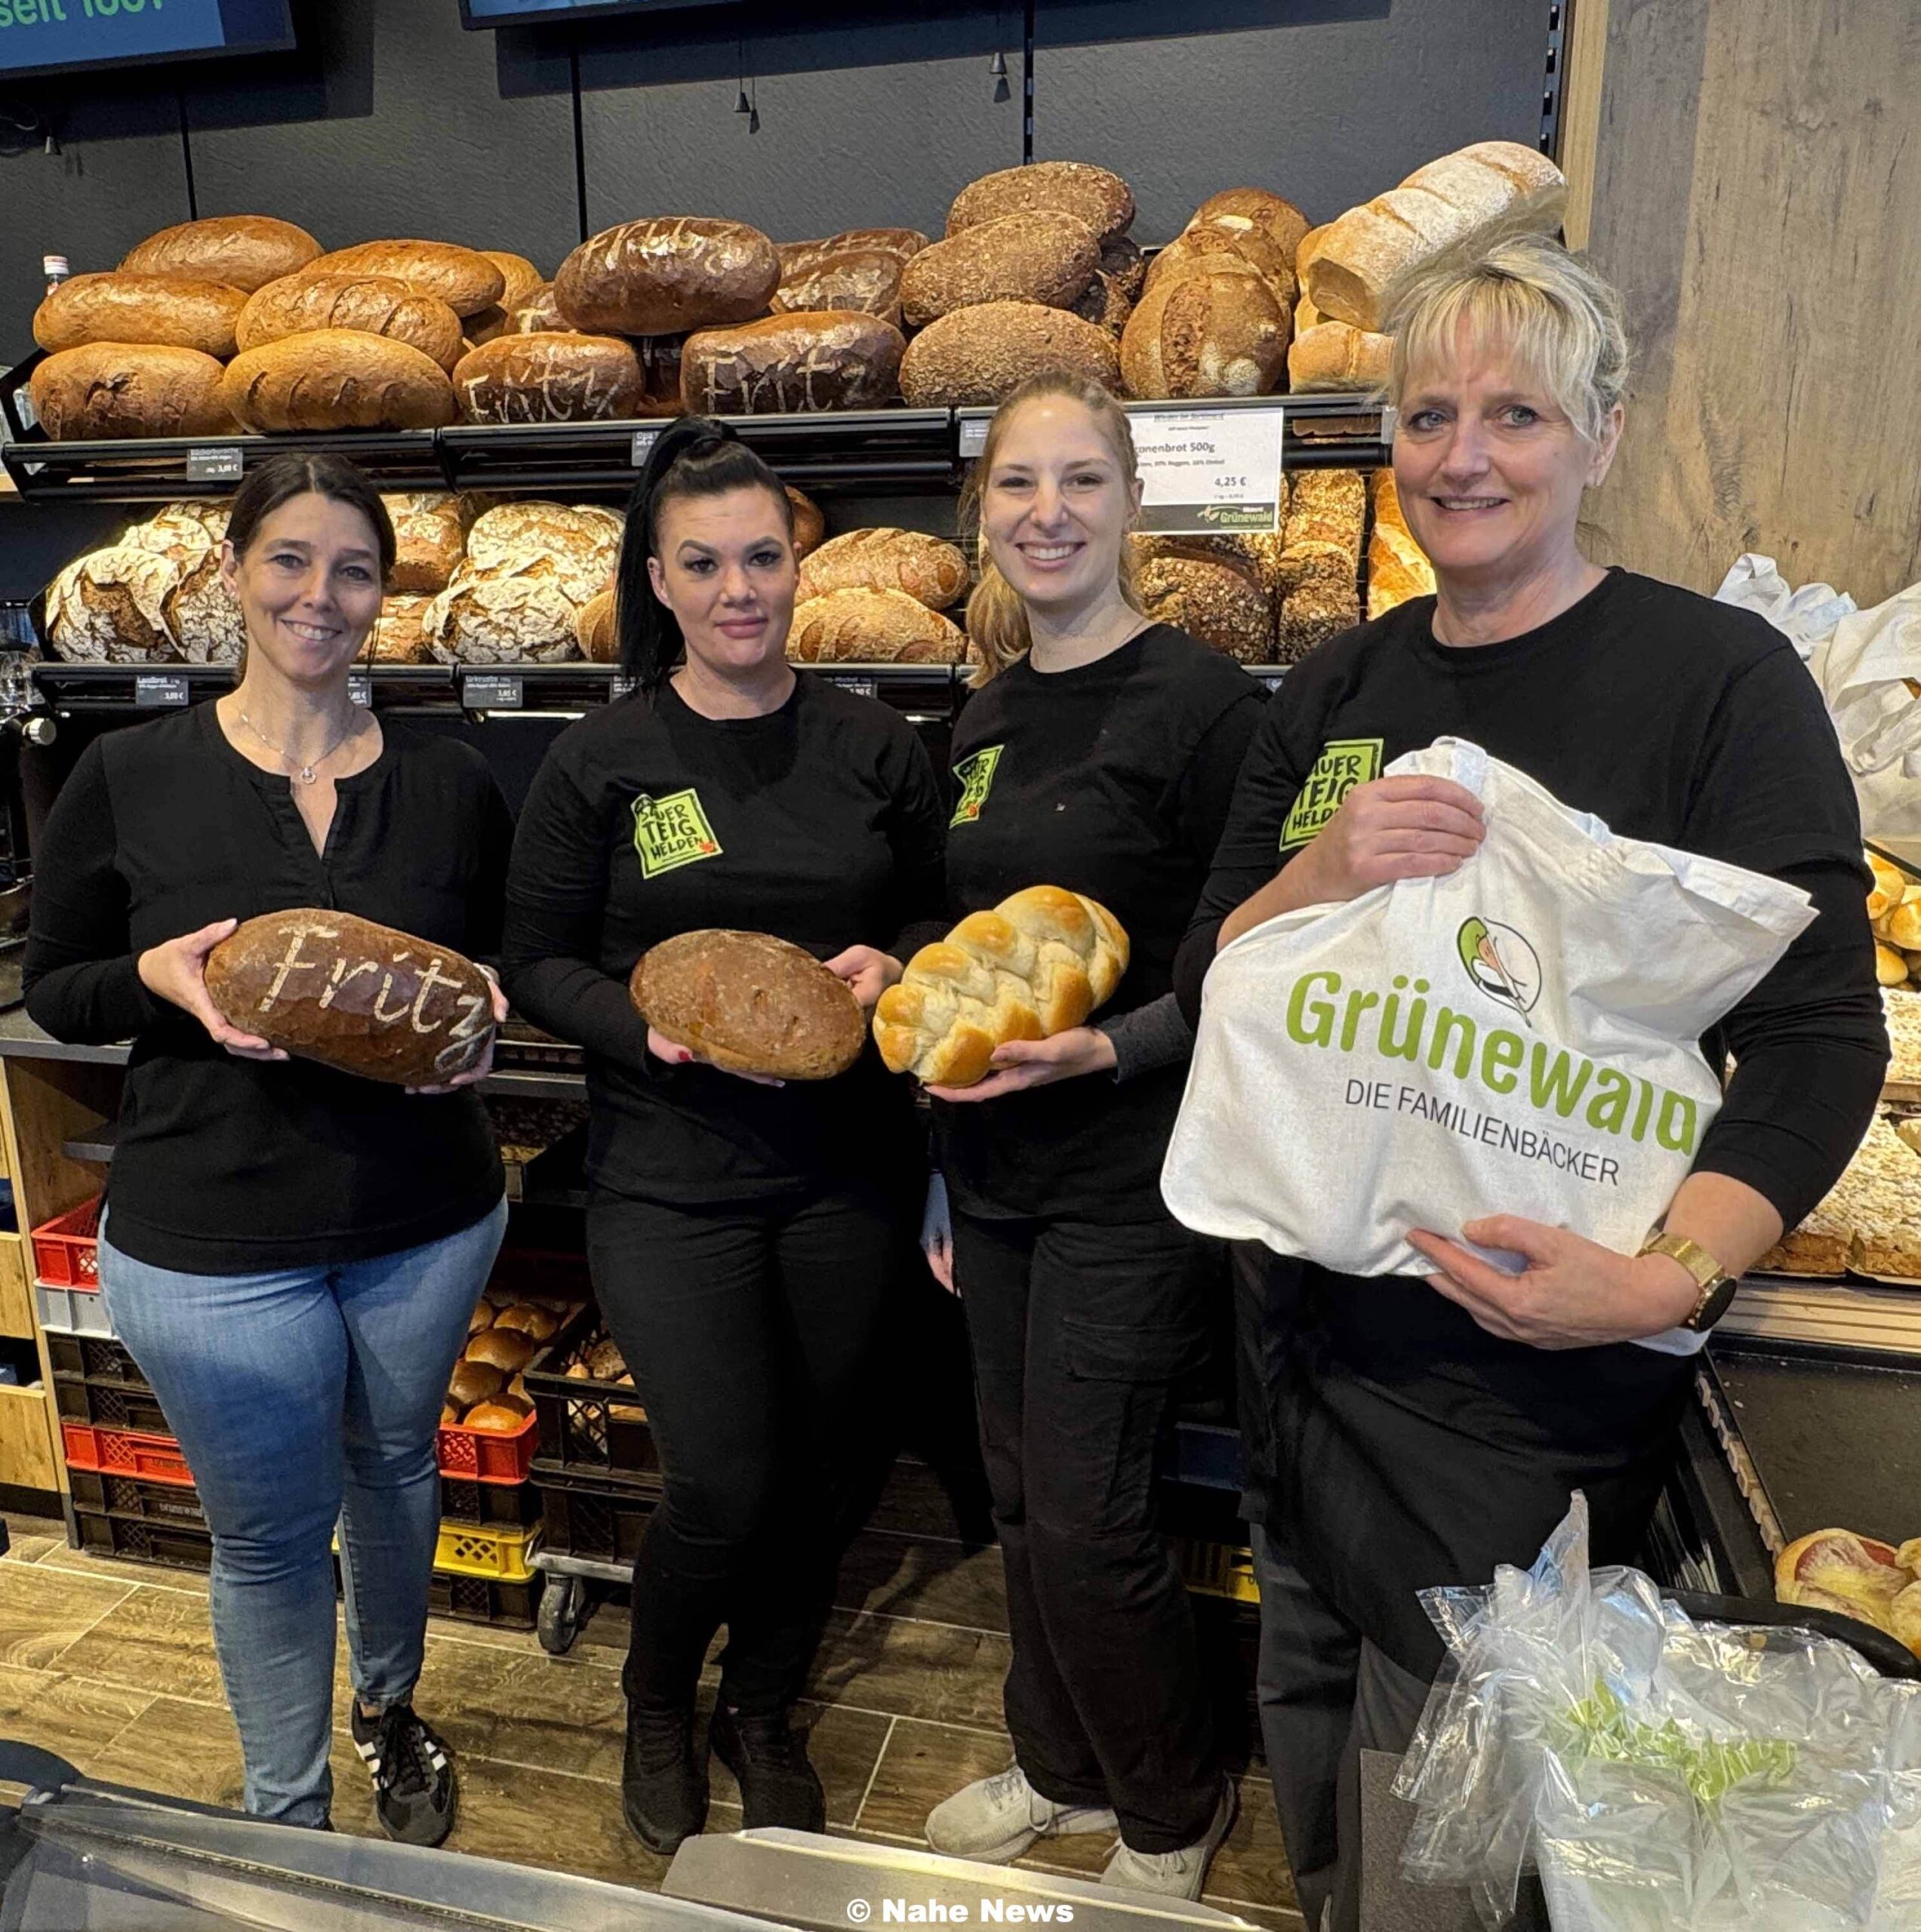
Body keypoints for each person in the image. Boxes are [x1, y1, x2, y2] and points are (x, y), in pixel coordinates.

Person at [1172, 235, 1889, 1932]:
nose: (1464, 456)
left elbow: (1816, 1036)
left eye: (1516, 413)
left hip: (1521, 1378)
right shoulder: (1341, 682)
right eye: (1428, 415)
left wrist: (1661, 1277)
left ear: (1602, 435)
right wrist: (1319, 870)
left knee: (1456, 1828)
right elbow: (1220, 965)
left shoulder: (1715, 682)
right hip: (1297, 1325)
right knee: (1314, 1730)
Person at [24, 454, 514, 1844]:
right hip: (208, 1241)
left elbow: (491, 968)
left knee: (399, 1468)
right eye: (289, 561)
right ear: (235, 571)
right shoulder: (128, 772)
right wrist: (160, 984)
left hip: (422, 1216)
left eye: (353, 569)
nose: (321, 595)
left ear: (382, 593)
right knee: (272, 1539)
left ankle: (390, 1707)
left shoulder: (451, 778)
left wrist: (485, 1018)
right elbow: (62, 984)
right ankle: (283, 1818)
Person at [500, 418, 947, 1856]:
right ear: (660, 576)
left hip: (844, 1179)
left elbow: (944, 912)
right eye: (705, 562)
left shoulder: (876, 742)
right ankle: (654, 1692)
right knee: (724, 1478)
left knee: (822, 1476)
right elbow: (537, 960)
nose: (739, 587)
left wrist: (901, 962)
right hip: (669, 1181)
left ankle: (761, 1703)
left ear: (796, 566)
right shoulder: (605, 758)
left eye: (763, 556)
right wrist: (649, 1028)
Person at [918, 371, 1267, 1900]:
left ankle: (1167, 1804)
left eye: (1077, 481)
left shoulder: (1196, 703)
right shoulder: (983, 715)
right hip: (992, 1171)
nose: (1044, 512)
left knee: (1089, 1508)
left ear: (1132, 505)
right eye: (1015, 484)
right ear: (982, 510)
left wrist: (1112, 1043)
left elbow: (1239, 955)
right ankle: (1061, 1766)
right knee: (1012, 1492)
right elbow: (977, 944)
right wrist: (935, 1132)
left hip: (1129, 1177)